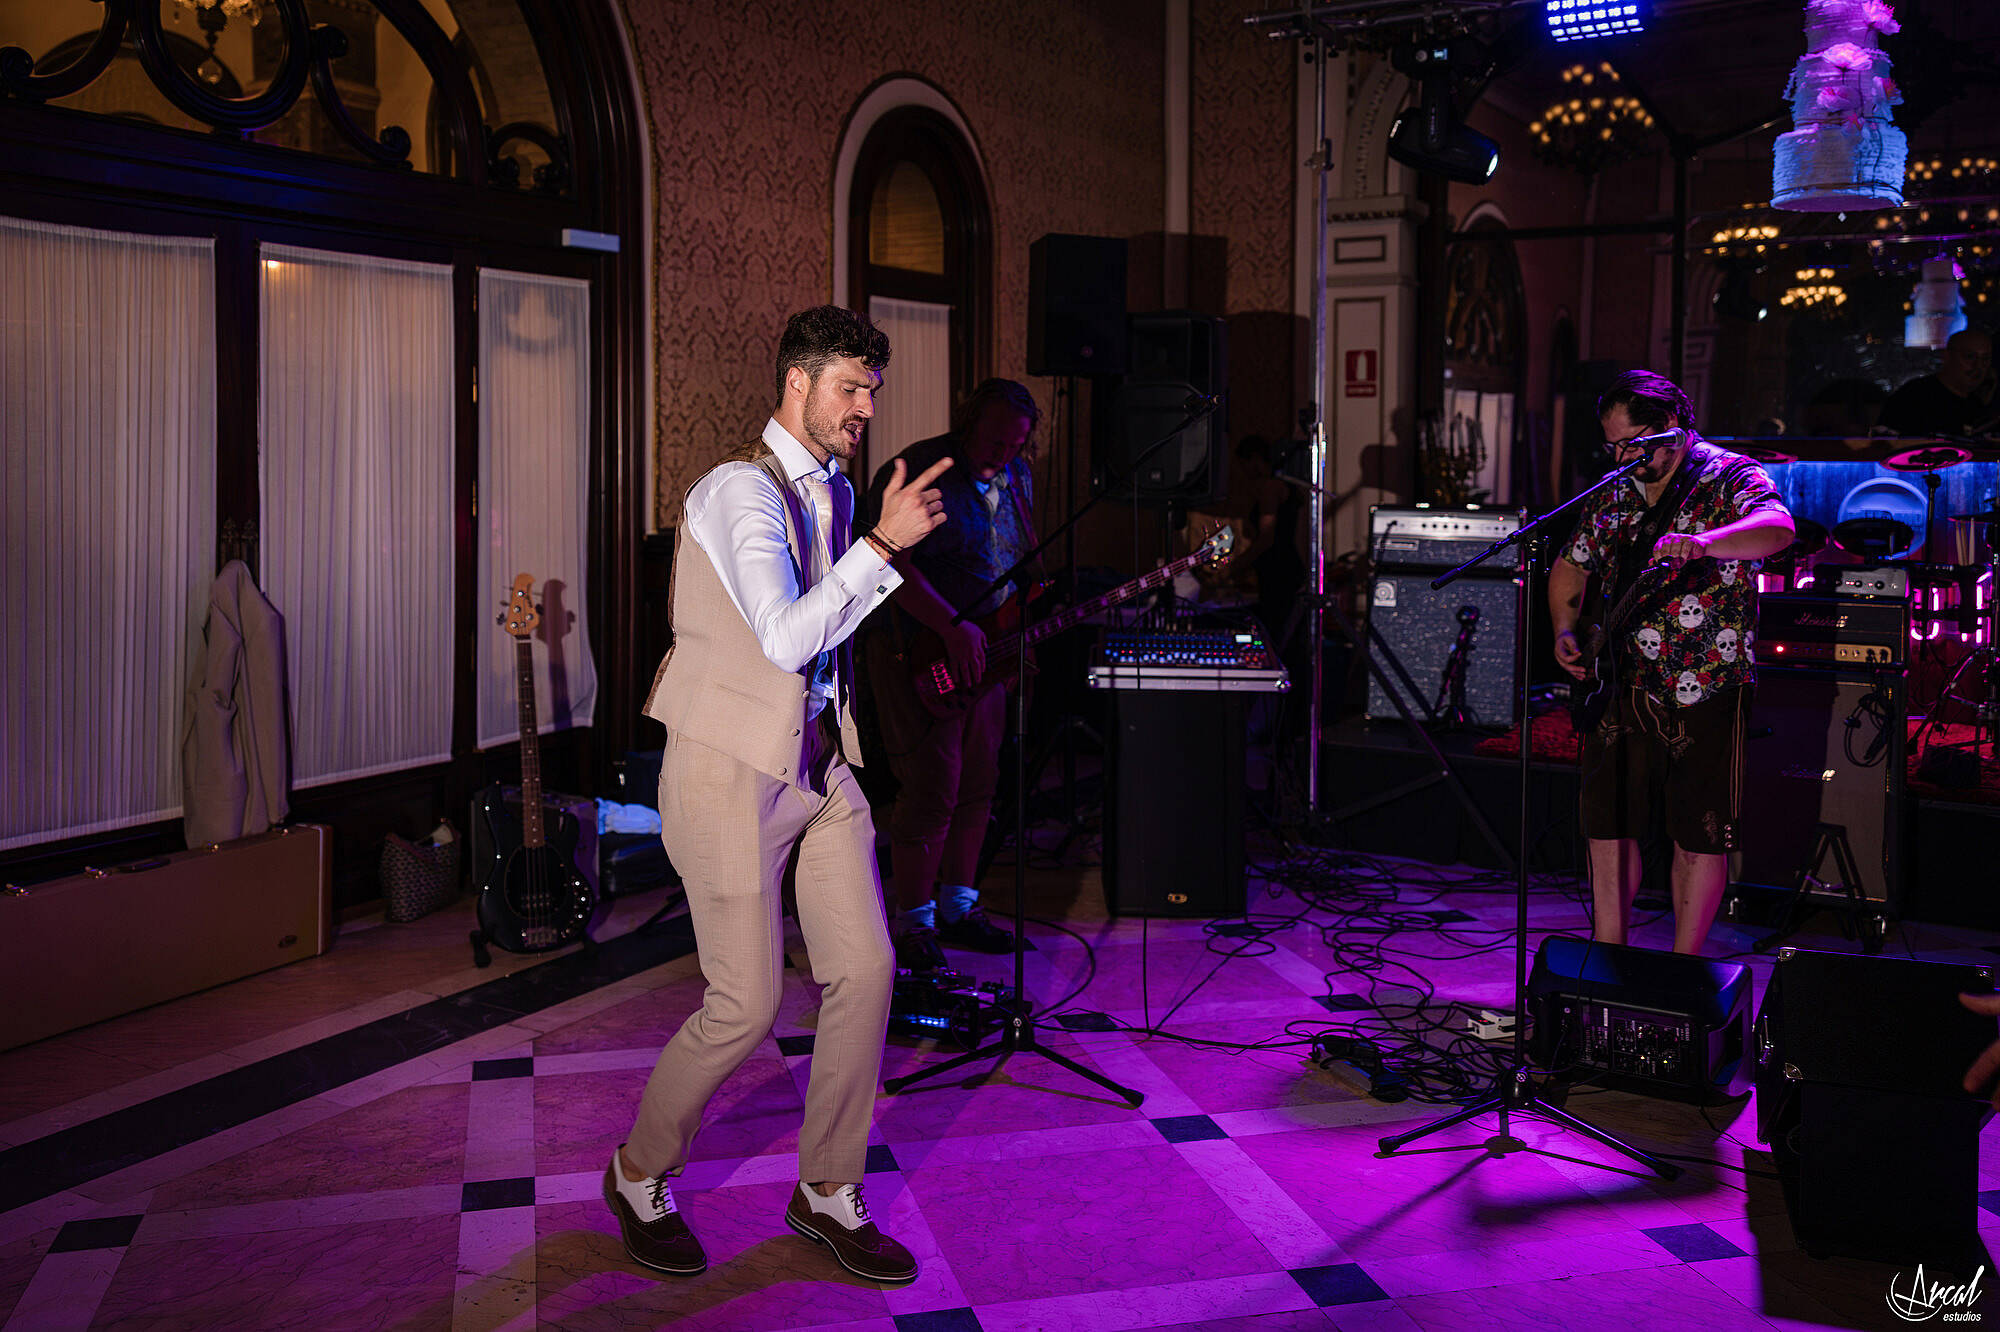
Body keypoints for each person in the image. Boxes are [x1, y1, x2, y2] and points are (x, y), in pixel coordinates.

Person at [605, 306, 952, 1286]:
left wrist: (872, 542)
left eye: (871, 390)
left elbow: (827, 646)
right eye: (850, 386)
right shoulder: (735, 494)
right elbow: (787, 636)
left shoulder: (836, 492)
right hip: (725, 771)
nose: (864, 407)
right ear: (796, 384)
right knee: (744, 1004)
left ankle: (826, 1189)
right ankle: (637, 1173)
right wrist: (882, 549)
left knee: (867, 970)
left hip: (816, 763)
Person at [1549, 369, 1795, 955]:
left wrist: (1709, 541)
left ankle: (1685, 964)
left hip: (1708, 678)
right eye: (1612, 444)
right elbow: (1572, 563)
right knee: (1608, 827)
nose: (1622, 455)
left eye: (1633, 443)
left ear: (1674, 428)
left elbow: (1778, 527)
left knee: (1699, 833)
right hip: (1620, 678)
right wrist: (1564, 629)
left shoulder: (1730, 474)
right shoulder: (1612, 491)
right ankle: (1608, 953)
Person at [862, 378, 1041, 972]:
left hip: (988, 657)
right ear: (967, 421)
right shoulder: (921, 470)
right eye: (992, 438)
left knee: (979, 786)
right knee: (931, 790)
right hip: (916, 653)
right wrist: (951, 626)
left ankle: (960, 907)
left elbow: (1015, 562)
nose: (1001, 452)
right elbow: (887, 566)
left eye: (1014, 443)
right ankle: (915, 925)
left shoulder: (1017, 480)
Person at [1877, 327, 1998, 439]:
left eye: (1985, 359)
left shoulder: (1976, 407)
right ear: (1946, 356)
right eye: (1970, 357)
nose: (1978, 366)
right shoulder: (1914, 397)